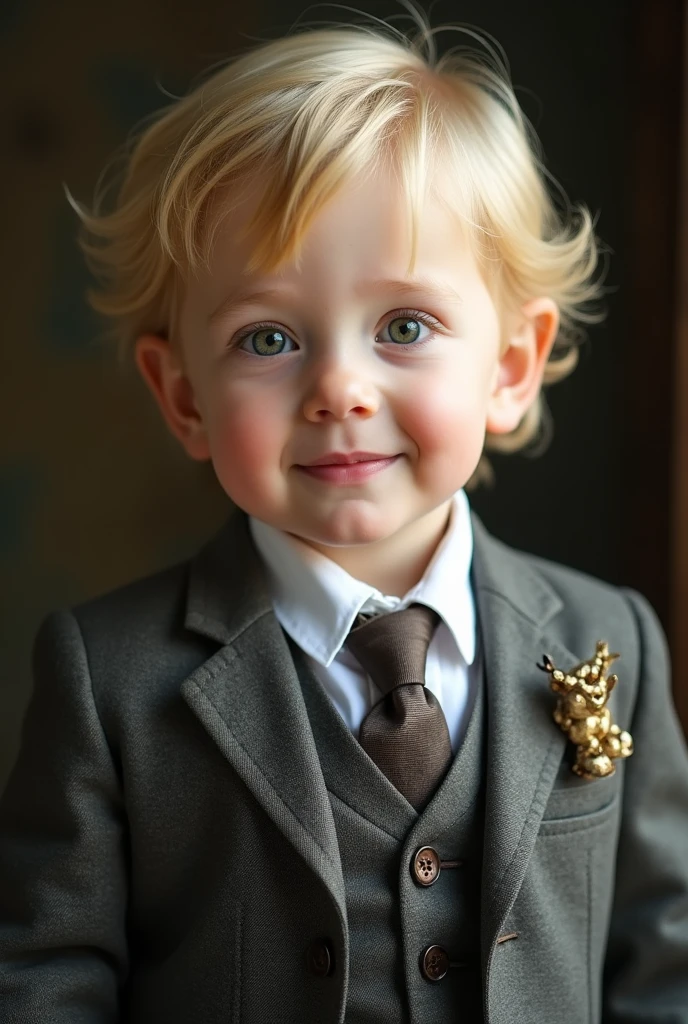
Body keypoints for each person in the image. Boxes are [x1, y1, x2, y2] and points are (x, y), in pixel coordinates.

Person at [1, 3, 687, 1021]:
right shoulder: (109, 680)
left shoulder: (608, 640)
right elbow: (46, 980)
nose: (340, 388)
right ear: (183, 394)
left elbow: (660, 960)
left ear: (510, 367)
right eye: (267, 339)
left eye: (403, 325)